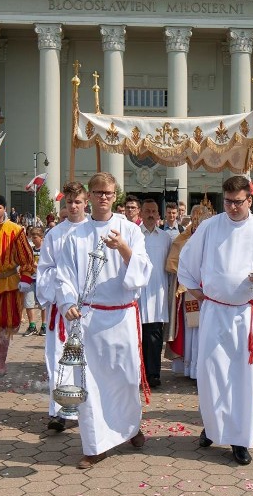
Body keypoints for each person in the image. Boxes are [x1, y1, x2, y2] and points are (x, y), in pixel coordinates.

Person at [177, 176, 253, 465]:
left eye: (238, 202)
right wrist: (199, 293)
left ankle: (240, 438)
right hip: (215, 310)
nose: (232, 207)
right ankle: (213, 428)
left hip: (248, 313)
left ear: (249, 201)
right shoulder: (210, 227)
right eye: (227, 201)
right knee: (211, 372)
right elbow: (187, 260)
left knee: (243, 376)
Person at [56, 172, 152, 469]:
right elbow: (64, 275)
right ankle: (95, 444)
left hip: (122, 315)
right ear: (90, 195)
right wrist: (68, 302)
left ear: (116, 196)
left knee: (125, 377)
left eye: (108, 193)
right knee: (92, 382)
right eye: (97, 193)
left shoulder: (130, 230)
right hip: (90, 317)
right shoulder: (75, 234)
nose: (103, 198)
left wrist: (123, 248)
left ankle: (130, 428)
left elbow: (144, 270)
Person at [35, 181, 89, 432]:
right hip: (61, 310)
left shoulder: (94, 230)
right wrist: (60, 288)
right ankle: (59, 410)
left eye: (78, 202)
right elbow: (44, 269)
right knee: (58, 359)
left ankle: (87, 408)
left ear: (86, 201)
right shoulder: (54, 234)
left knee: (87, 360)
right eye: (69, 202)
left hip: (89, 308)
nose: (74, 206)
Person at [0, 195, 36, 377]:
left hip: (8, 283)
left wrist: (26, 278)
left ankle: (0, 362)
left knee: (5, 325)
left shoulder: (16, 230)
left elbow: (27, 257)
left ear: (5, 209)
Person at [165, 204, 213, 379]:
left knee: (206, 329)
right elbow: (173, 263)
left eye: (202, 218)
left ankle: (204, 367)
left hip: (209, 289)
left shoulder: (212, 237)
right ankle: (191, 368)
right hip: (189, 290)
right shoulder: (183, 239)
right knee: (192, 329)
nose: (198, 221)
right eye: (196, 218)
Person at [139, 198, 172, 388]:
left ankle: (153, 374)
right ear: (141, 214)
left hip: (158, 293)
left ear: (159, 214)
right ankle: (139, 373)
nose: (151, 215)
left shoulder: (165, 237)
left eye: (154, 211)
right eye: (147, 211)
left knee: (154, 337)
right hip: (138, 292)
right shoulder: (134, 235)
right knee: (138, 336)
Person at [21, 226, 46, 337]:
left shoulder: (46, 249)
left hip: (42, 280)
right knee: (28, 302)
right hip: (30, 279)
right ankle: (32, 326)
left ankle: (44, 325)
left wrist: (37, 265)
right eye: (32, 238)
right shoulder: (30, 249)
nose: (33, 240)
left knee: (43, 304)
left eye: (35, 237)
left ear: (41, 238)